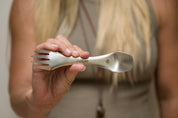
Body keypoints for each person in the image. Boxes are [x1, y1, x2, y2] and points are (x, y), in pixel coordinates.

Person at [9, 0, 178, 118]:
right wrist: (37, 103)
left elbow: (172, 97)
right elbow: (18, 92)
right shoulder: (30, 3)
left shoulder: (161, 3)